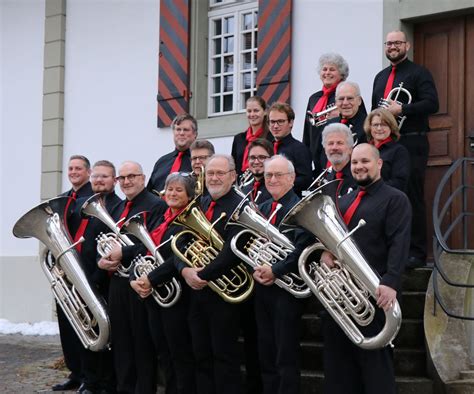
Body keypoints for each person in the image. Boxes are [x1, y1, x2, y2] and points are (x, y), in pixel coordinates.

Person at [320, 143, 411, 394]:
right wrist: (326, 254)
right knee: (339, 372)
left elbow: (399, 243)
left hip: (376, 296)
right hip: (340, 298)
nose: (359, 167)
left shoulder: (395, 199)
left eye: (365, 162)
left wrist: (391, 281)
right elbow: (331, 240)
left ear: (379, 164)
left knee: (375, 372)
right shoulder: (342, 201)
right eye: (355, 162)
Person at [176, 154, 248, 394]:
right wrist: (185, 270)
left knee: (224, 356)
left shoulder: (241, 204)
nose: (214, 178)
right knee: (201, 354)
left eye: (220, 173)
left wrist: (203, 274)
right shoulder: (201, 203)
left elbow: (234, 249)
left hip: (225, 294)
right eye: (211, 173)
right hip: (197, 291)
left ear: (233, 176)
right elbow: (180, 240)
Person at [124, 172, 198, 394]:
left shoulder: (191, 220)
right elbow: (142, 251)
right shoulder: (160, 218)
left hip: (177, 297)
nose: (173, 194)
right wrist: (133, 279)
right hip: (153, 296)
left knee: (179, 353)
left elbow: (180, 256)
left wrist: (151, 278)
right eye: (170, 189)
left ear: (189, 195)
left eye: (179, 190)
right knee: (163, 350)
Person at [371, 30, 439, 268]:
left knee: (411, 195)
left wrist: (403, 110)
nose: (392, 47)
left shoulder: (419, 73)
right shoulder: (380, 78)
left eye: (397, 43)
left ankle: (417, 252)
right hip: (386, 145)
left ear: (407, 46)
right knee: (386, 196)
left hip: (412, 141)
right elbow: (375, 112)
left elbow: (432, 103)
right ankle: (392, 249)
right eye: (389, 43)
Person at [98, 161, 167, 394]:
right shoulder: (117, 209)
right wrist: (103, 259)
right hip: (118, 281)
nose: (126, 182)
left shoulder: (156, 205)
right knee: (122, 341)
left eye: (132, 176)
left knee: (142, 342)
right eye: (122, 178)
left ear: (143, 177)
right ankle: (124, 388)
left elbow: (154, 244)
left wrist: (123, 252)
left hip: (141, 282)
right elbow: (108, 240)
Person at [253, 155, 313, 394]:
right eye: (269, 175)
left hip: (288, 290)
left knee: (284, 355)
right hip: (263, 288)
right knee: (266, 353)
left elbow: (304, 247)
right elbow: (251, 244)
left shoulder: (300, 209)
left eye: (279, 175)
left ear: (292, 178)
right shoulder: (264, 208)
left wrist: (275, 270)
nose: (273, 179)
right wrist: (257, 269)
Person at [69, 160, 122, 393]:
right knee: (86, 331)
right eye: (96, 177)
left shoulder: (118, 207)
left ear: (114, 181)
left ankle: (107, 382)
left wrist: (95, 278)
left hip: (103, 278)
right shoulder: (81, 204)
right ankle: (89, 381)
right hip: (81, 275)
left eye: (105, 177)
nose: (99, 180)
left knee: (107, 335)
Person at [53, 154, 94, 392]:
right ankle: (75, 372)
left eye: (79, 168)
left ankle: (89, 376)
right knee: (67, 323)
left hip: (86, 268)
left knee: (86, 324)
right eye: (70, 168)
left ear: (88, 172)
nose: (74, 172)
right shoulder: (63, 199)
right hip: (65, 269)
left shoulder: (93, 197)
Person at [303, 53, 348, 173]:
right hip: (317, 156)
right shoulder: (314, 98)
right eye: (324, 69)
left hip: (338, 154)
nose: (327, 73)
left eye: (332, 69)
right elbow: (307, 131)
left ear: (341, 74)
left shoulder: (347, 95)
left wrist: (340, 116)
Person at [268, 102, 313, 196]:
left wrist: (281, 183)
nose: (275, 126)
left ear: (291, 122)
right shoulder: (266, 148)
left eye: (280, 121)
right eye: (272, 122)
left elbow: (306, 180)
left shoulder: (300, 149)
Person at [147, 113, 198, 193]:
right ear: (173, 133)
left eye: (186, 130)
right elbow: (149, 192)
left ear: (195, 134)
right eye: (178, 129)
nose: (181, 133)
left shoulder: (199, 161)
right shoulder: (161, 162)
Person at [363, 108, 410, 191]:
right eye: (375, 125)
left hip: (388, 198)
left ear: (391, 127)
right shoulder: (364, 150)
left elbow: (400, 183)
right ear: (370, 127)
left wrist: (373, 187)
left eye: (384, 125)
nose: (379, 128)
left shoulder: (399, 151)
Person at [231, 96, 271, 176]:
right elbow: (233, 167)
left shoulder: (271, 138)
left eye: (256, 111)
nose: (252, 114)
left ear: (265, 112)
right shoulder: (238, 139)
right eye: (249, 111)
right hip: (241, 184)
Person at [320, 123, 357, 202]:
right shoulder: (325, 181)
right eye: (330, 143)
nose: (334, 147)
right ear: (325, 149)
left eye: (340, 143)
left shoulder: (359, 177)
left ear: (350, 149)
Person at [240, 138, 273, 203]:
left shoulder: (277, 188)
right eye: (252, 157)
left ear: (271, 159)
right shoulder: (244, 190)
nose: (256, 162)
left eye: (262, 157)